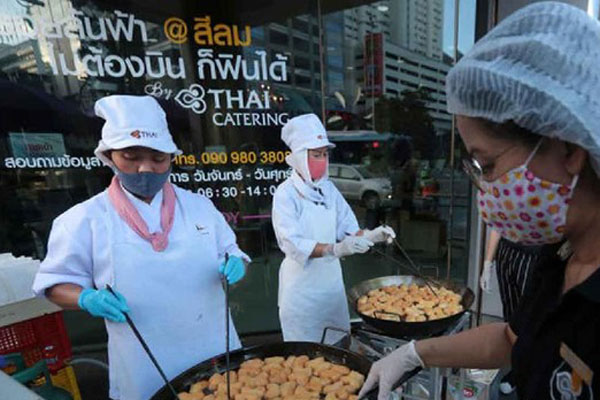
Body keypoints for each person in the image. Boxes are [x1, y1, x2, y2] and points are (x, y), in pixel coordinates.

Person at [358, 3, 600, 399]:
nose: (485, 191)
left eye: (486, 165)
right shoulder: (560, 255)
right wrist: (414, 353)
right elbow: (511, 338)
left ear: (567, 149)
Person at [32, 95, 250, 400]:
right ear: (109, 156)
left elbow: (234, 254)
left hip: (212, 346)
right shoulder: (83, 219)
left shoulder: (200, 207)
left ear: (172, 157)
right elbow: (54, 285)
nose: (146, 168)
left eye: (158, 158)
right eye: (131, 157)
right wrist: (86, 298)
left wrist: (237, 263)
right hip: (142, 360)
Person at [272, 114, 396, 344]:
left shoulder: (329, 190)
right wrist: (335, 249)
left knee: (338, 349)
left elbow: (349, 230)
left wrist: (372, 235)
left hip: (331, 290)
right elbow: (292, 243)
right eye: (316, 155)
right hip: (302, 293)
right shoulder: (285, 194)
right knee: (305, 360)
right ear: (299, 157)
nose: (322, 160)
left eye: (325, 154)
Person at [481, 229, 542, 394]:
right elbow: (496, 224)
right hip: (506, 252)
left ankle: (530, 371)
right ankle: (517, 367)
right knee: (511, 315)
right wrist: (488, 263)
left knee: (531, 317)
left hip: (535, 256)